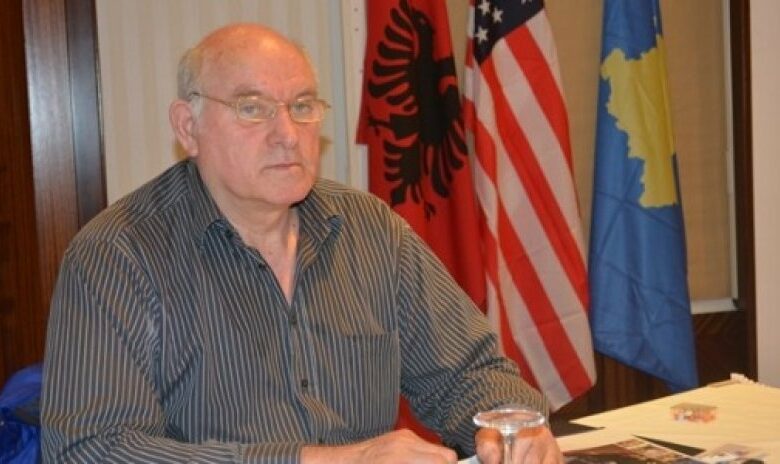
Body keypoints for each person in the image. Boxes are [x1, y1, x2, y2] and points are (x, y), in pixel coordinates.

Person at [40, 23, 563, 463]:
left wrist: (512, 427)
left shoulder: (370, 230)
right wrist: (322, 461)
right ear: (188, 126)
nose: (288, 134)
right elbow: (91, 449)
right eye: (252, 108)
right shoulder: (117, 254)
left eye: (303, 106)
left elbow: (470, 372)